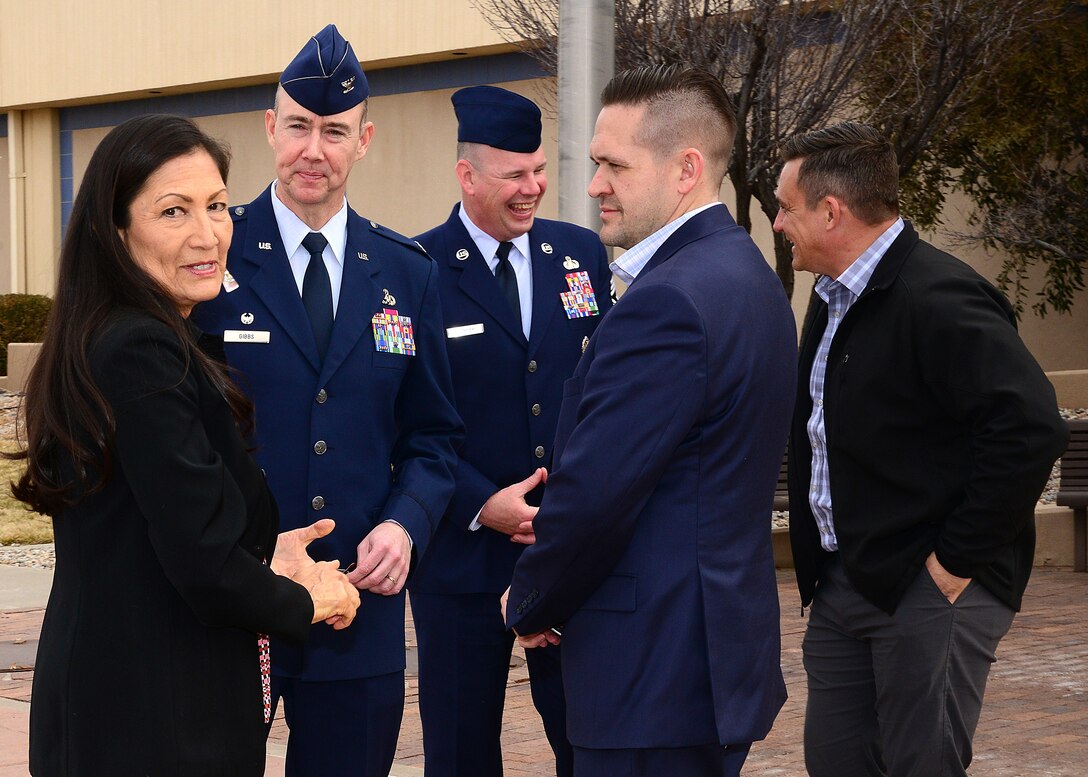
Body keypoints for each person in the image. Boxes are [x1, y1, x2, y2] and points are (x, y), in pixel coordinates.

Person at [14, 114, 360, 777]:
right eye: (174, 211)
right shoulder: (139, 350)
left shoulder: (143, 338)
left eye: (218, 206)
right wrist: (310, 599)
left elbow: (166, 524)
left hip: (134, 708)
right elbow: (203, 566)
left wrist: (268, 551)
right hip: (148, 723)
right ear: (116, 232)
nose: (208, 235)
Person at [503, 65, 796, 777]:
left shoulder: (666, 302)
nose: (594, 183)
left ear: (686, 169)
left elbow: (598, 493)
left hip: (650, 674)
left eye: (613, 165)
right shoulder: (747, 274)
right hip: (706, 661)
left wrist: (532, 597)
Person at [190, 25, 462, 777]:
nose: (315, 149)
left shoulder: (407, 273)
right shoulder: (211, 256)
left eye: (335, 131)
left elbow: (435, 436)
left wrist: (406, 526)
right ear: (271, 128)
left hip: (356, 608)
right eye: (300, 126)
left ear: (364, 139)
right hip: (233, 601)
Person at [777, 121, 1069, 777]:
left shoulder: (939, 295)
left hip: (930, 589)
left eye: (785, 207)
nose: (776, 222)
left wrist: (954, 562)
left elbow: (1030, 425)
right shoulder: (829, 298)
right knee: (837, 762)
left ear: (832, 211)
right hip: (844, 582)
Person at [410, 85, 612, 777]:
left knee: (586, 740)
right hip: (460, 561)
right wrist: (479, 502)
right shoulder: (415, 270)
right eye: (513, 176)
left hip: (563, 550)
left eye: (537, 171)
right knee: (462, 748)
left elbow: (602, 390)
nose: (533, 189)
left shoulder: (579, 254)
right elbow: (404, 415)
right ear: (467, 176)